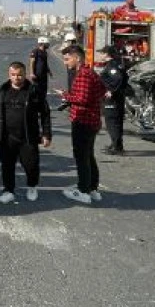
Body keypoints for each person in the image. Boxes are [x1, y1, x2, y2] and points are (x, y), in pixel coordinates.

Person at [0, 62, 52, 203]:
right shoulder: (2, 90)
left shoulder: (34, 91)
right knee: (7, 166)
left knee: (31, 165)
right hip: (6, 137)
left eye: (20, 74)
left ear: (25, 74)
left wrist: (46, 134)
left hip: (28, 137)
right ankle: (8, 190)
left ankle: (32, 186)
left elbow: (45, 113)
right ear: (9, 75)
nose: (17, 77)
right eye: (13, 75)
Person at [56, 45, 107, 204]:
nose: (65, 63)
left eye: (67, 59)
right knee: (88, 155)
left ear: (77, 58)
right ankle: (92, 188)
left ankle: (83, 191)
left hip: (83, 122)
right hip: (91, 121)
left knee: (81, 157)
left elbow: (82, 99)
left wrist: (65, 96)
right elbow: (101, 92)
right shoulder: (91, 73)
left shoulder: (84, 75)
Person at [97, 45, 128, 155]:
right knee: (116, 121)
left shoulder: (112, 65)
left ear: (106, 54)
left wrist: (111, 91)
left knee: (112, 121)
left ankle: (117, 147)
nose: (99, 55)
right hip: (118, 97)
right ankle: (116, 143)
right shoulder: (116, 63)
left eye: (101, 53)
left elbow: (118, 78)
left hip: (113, 99)